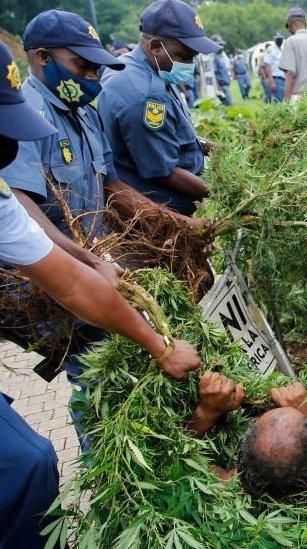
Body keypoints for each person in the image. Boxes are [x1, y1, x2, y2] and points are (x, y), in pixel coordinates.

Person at [0, 41, 201, 548]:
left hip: (77, 267)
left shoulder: (75, 114)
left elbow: (73, 273)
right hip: (48, 288)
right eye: (82, 66)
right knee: (31, 462)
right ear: (41, 57)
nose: (91, 77)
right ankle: (112, 492)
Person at [98, 0, 221, 217]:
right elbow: (163, 171)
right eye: (184, 56)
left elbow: (170, 133)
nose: (190, 64)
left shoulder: (136, 66)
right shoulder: (145, 95)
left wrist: (203, 145)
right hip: (157, 217)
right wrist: (224, 189)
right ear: (155, 47)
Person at [260, 32, 285, 102]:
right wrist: (271, 82)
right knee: (279, 101)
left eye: (281, 38)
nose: (280, 40)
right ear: (275, 39)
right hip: (276, 79)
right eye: (278, 39)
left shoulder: (283, 49)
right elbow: (267, 66)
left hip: (285, 78)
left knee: (286, 101)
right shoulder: (270, 50)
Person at [211, 34, 233, 106]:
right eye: (219, 44)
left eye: (222, 44)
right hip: (221, 85)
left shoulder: (223, 55)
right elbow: (214, 74)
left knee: (225, 104)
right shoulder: (213, 57)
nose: (221, 46)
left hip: (226, 83)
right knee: (229, 103)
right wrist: (218, 87)